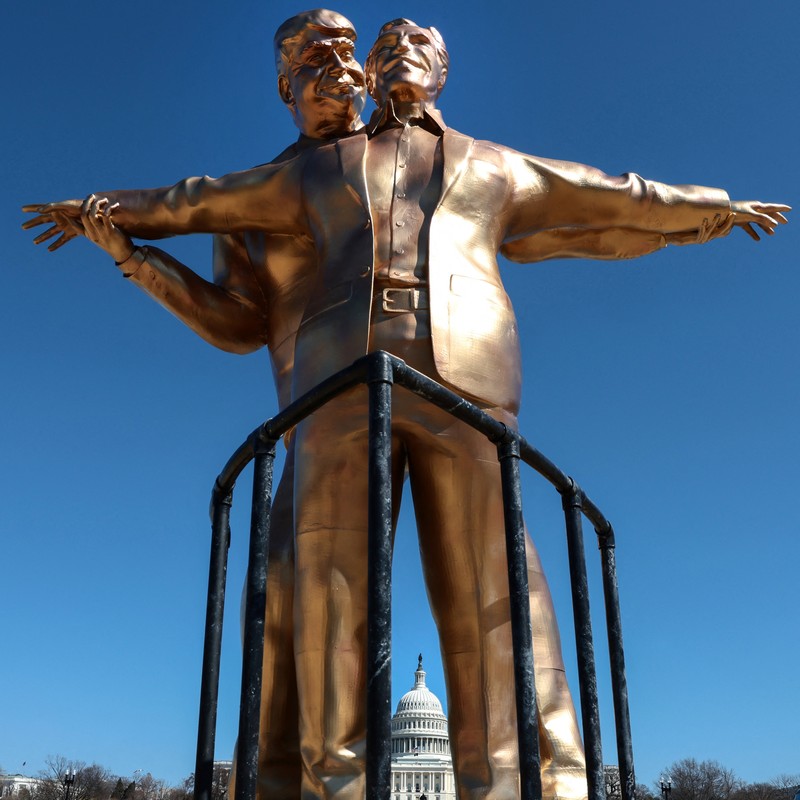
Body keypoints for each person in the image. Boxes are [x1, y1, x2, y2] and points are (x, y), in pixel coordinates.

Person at [23, 16, 789, 800]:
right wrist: (111, 222)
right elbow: (194, 203)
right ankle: (332, 781)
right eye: (358, 56)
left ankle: (531, 780)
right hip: (334, 388)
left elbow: (610, 196)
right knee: (321, 592)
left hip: (471, 381)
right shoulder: (310, 174)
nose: (374, 66)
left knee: (495, 590)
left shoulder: (491, 161)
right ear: (287, 88)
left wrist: (714, 209)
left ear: (442, 71)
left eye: (392, 53)